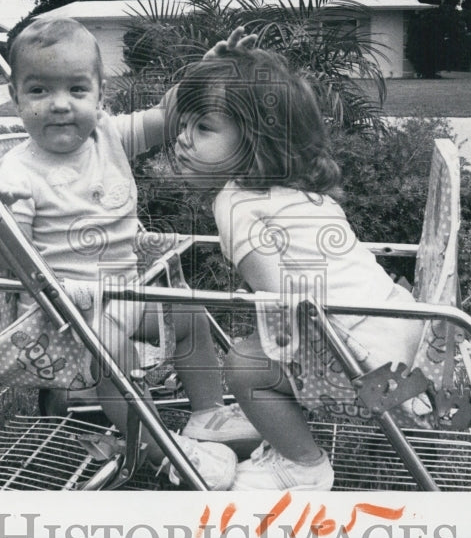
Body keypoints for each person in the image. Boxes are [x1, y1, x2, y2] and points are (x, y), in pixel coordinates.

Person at [0, 16, 256, 489]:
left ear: (100, 94)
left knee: (185, 310)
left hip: (125, 291)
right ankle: (156, 447)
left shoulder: (107, 135)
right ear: (15, 94)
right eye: (40, 91)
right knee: (113, 353)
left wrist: (205, 73)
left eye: (77, 90)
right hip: (66, 313)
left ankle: (208, 413)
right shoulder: (18, 172)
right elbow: (12, 261)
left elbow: (165, 117)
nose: (60, 105)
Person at [169, 45, 423, 491]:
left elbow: (284, 309)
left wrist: (258, 336)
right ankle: (283, 435)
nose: (183, 138)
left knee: (247, 365)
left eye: (203, 127)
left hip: (366, 372)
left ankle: (302, 465)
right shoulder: (300, 193)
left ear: (256, 142)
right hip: (406, 352)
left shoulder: (235, 204)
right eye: (183, 124)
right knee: (266, 351)